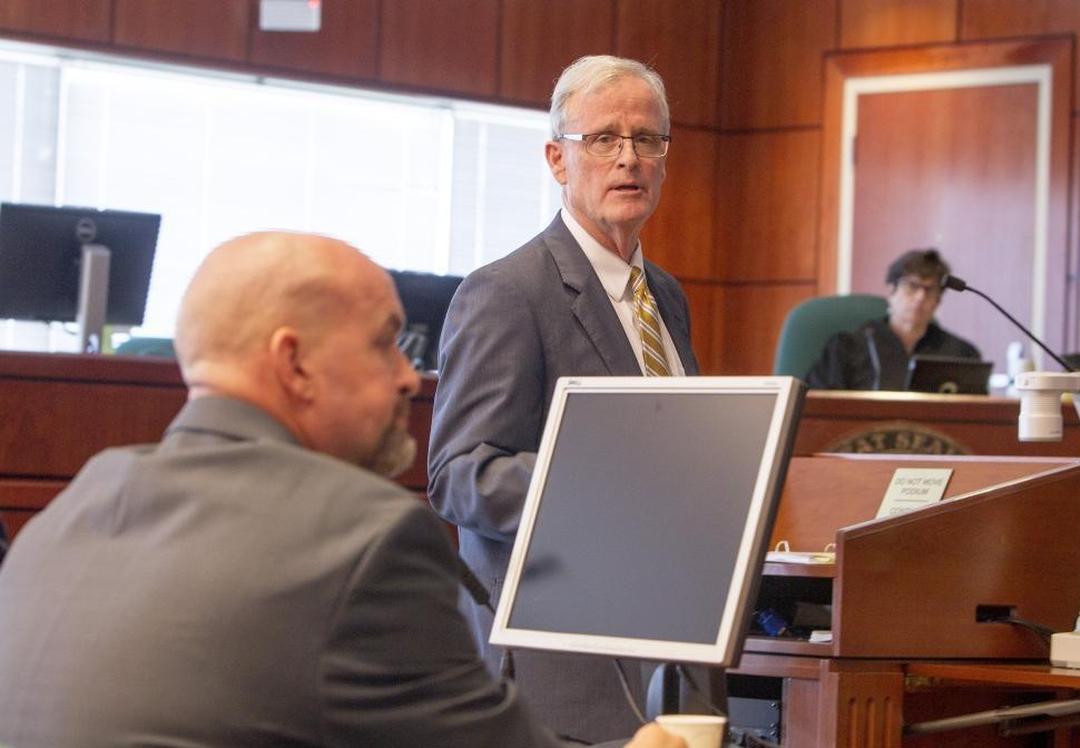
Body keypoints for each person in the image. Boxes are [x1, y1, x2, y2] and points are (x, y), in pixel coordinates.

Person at [0, 232, 681, 748]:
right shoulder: (364, 540)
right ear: (293, 363)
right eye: (386, 344)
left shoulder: (72, 512)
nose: (409, 377)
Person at [427, 55, 700, 743]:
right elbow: (459, 475)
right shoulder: (507, 292)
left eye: (646, 139)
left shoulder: (665, 296)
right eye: (603, 139)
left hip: (671, 650)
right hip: (562, 674)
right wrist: (597, 486)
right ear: (557, 159)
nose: (628, 158)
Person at [806, 248, 981, 390]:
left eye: (930, 290)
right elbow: (819, 407)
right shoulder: (847, 349)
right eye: (912, 286)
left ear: (938, 302)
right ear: (891, 291)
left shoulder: (961, 355)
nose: (920, 297)